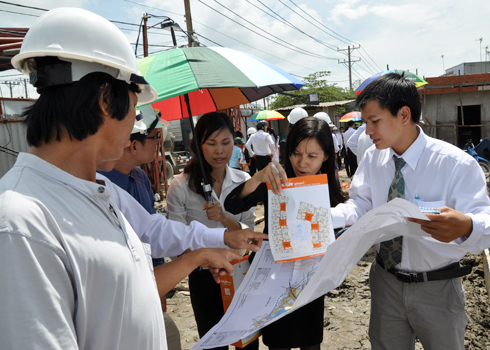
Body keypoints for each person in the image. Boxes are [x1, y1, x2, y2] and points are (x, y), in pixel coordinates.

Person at [0, 8, 245, 350]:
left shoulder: (102, 193)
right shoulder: (22, 224)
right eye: (134, 109)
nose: (134, 125)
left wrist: (200, 254)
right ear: (105, 99)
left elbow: (148, 243)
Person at [331, 73, 490, 350]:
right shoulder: (373, 157)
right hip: (386, 282)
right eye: (365, 122)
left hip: (438, 287)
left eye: (374, 121)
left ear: (404, 114)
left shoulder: (455, 164)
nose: (367, 131)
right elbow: (362, 204)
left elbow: (485, 219)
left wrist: (466, 225)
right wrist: (326, 218)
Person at [225, 117, 347, 350]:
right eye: (296, 153)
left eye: (312, 156)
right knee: (278, 341)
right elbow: (233, 204)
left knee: (310, 341)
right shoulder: (276, 181)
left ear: (326, 156)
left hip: (310, 279)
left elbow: (340, 226)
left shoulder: (327, 187)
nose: (303, 163)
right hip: (274, 278)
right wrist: (259, 177)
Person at [166, 112, 259, 350]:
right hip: (204, 277)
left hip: (239, 271)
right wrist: (204, 260)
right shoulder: (180, 186)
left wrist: (225, 218)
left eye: (226, 143)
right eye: (211, 143)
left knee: (246, 342)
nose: (220, 151)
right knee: (212, 340)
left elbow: (250, 228)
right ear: (198, 145)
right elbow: (175, 239)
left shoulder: (243, 180)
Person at [98, 105, 181, 350]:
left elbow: (153, 233)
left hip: (153, 282)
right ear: (133, 145)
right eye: (156, 138)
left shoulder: (140, 177)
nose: (160, 144)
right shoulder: (100, 187)